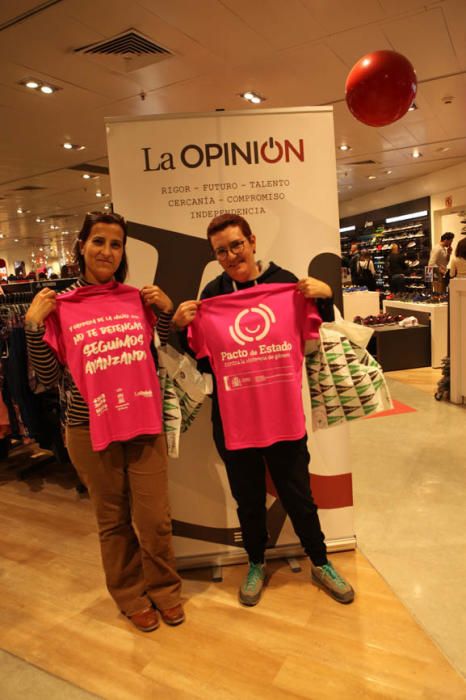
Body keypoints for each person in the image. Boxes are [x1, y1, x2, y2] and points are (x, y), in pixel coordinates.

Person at [172, 213, 354, 607]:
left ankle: (320, 562)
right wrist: (180, 328)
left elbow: (314, 333)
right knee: (247, 499)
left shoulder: (286, 284)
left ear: (252, 241)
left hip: (283, 415)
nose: (231, 255)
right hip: (235, 421)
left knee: (300, 496)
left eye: (236, 245)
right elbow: (204, 360)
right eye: (221, 251)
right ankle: (256, 562)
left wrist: (325, 297)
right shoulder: (211, 296)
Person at [25, 211, 184, 632]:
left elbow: (163, 349)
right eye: (99, 241)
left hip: (144, 420)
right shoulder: (60, 307)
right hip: (87, 427)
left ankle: (165, 589)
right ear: (81, 246)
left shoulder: (136, 298)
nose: (107, 252)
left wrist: (165, 312)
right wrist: (31, 326)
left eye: (116, 244)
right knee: (112, 521)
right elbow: (48, 376)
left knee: (154, 519)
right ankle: (130, 595)